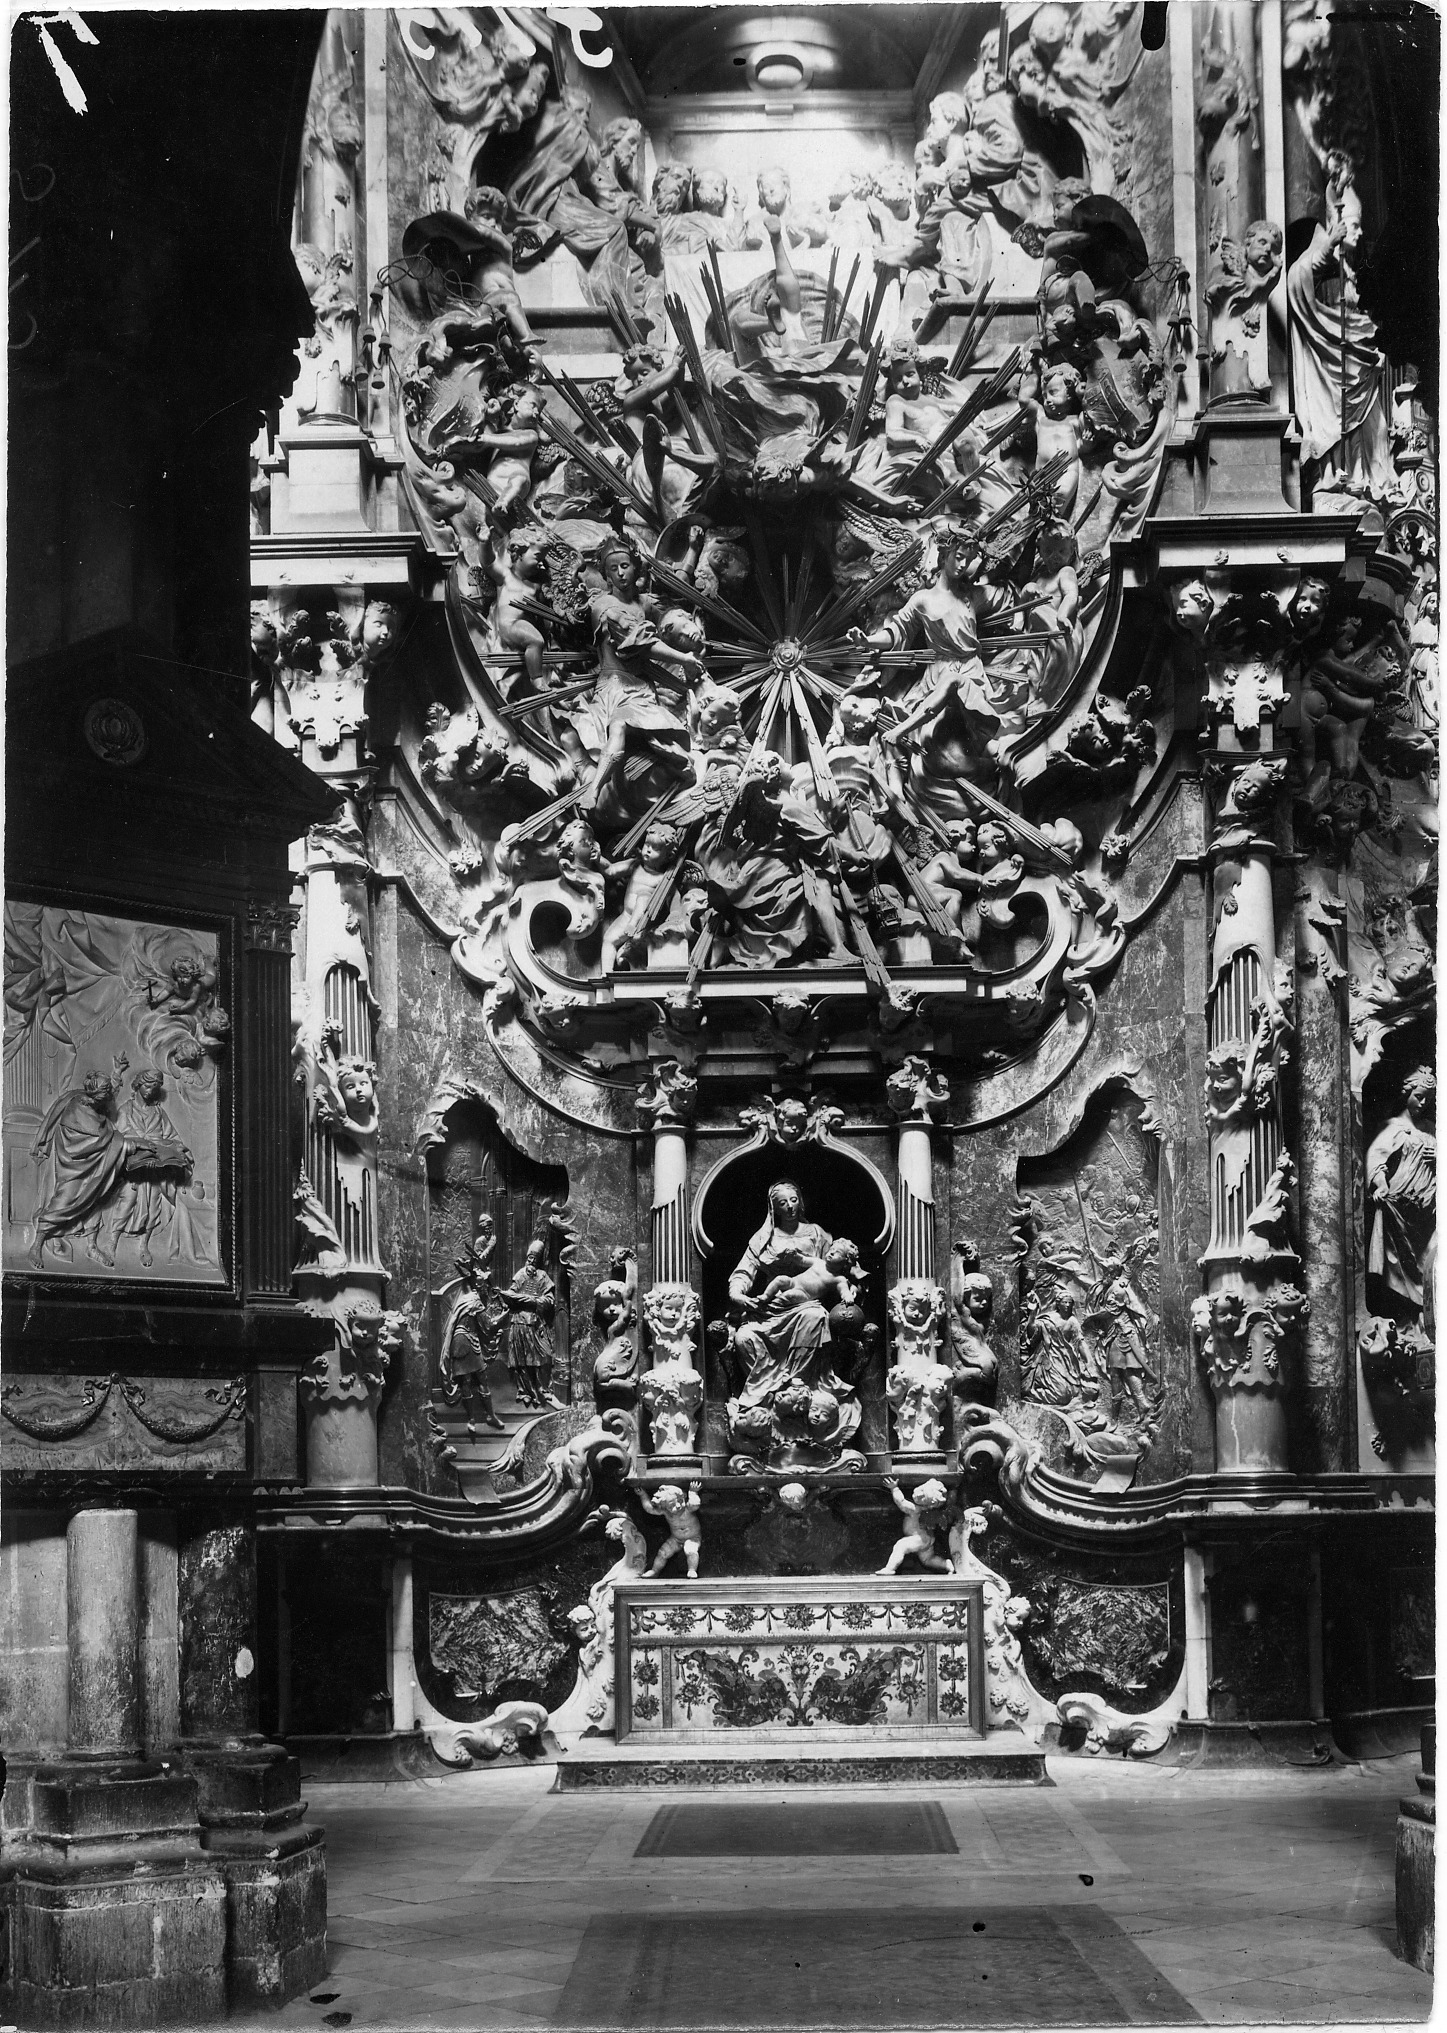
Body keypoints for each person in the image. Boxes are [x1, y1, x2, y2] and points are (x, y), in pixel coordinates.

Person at [28, 1063, 190, 1269]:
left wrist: (116, 1074)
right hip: (75, 1168)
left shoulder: (93, 1104)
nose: (111, 1100)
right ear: (96, 1096)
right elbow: (95, 1143)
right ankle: (36, 1245)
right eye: (107, 1097)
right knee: (63, 1201)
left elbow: (107, 1135)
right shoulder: (76, 1114)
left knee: (97, 1201)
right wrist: (132, 1144)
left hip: (96, 1168)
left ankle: (91, 1246)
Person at [1367, 1068, 1436, 1316]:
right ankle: (1407, 1314)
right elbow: (1375, 1158)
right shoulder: (1393, 1126)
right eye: (1419, 1096)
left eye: (1429, 1098)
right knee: (1398, 1264)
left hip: (1429, 1210)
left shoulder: (1433, 1129)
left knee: (1430, 1261)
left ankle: (1425, 1313)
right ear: (1407, 1094)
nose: (1424, 1103)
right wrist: (1381, 1183)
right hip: (1400, 1206)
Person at [440, 1215, 507, 1434]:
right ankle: (477, 1418)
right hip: (463, 1343)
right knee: (475, 1379)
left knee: (472, 1380)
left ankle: (484, 1417)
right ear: (481, 1286)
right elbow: (489, 1324)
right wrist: (503, 1316)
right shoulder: (475, 1301)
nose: (487, 1289)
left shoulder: (470, 1298)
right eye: (486, 1286)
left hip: (466, 1341)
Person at [499, 1239, 558, 1408]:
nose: (531, 1261)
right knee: (521, 1360)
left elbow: (549, 1300)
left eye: (534, 1258)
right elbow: (511, 1294)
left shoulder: (543, 1276)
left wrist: (533, 1301)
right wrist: (511, 1299)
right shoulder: (520, 1275)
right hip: (519, 1322)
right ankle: (525, 1391)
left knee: (543, 1356)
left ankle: (542, 1388)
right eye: (529, 1257)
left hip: (536, 1322)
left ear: (538, 1260)